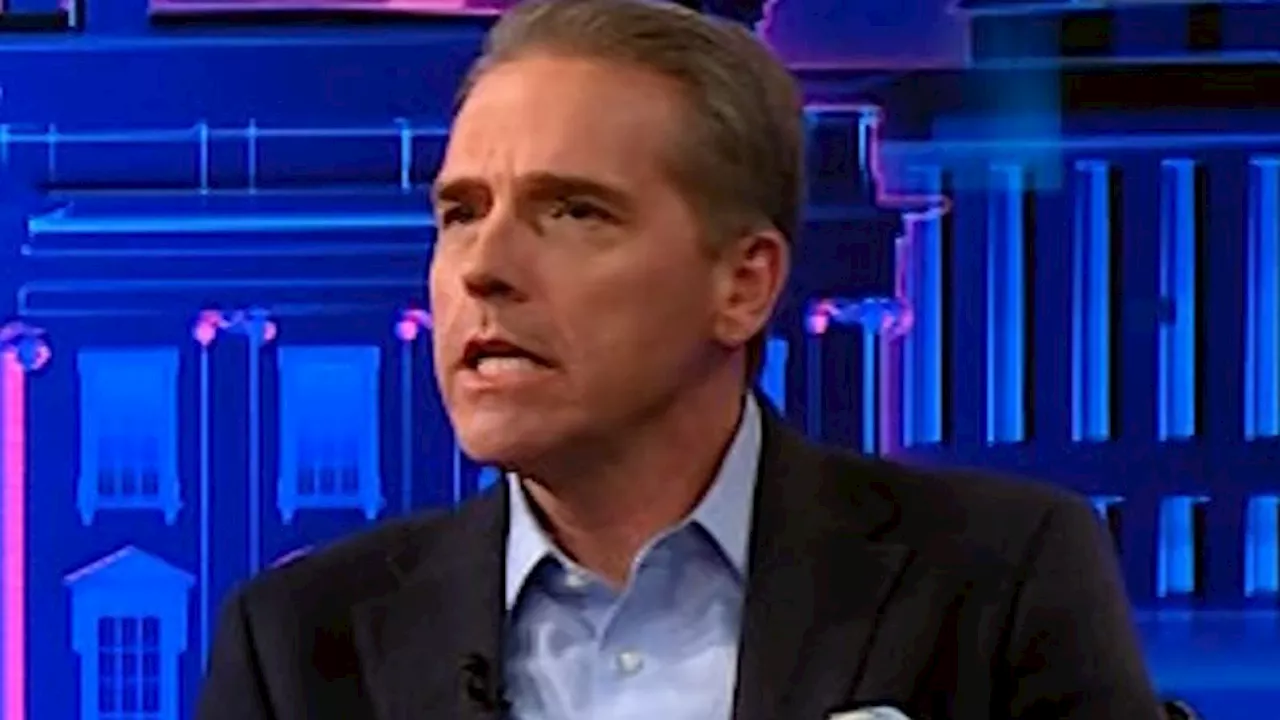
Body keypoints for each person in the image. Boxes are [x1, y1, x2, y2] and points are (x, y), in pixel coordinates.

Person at [197, 0, 1163, 717]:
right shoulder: (297, 647)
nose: (483, 267)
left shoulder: (998, 579)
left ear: (743, 284)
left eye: (574, 211)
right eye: (460, 213)